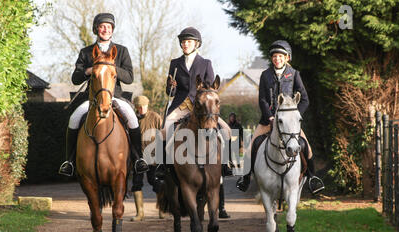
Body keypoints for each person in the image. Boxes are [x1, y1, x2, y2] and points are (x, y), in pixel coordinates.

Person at [58, 13, 148, 177]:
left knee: (133, 118)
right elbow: (75, 78)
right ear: (96, 29)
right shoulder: (86, 52)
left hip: (115, 96)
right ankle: (69, 161)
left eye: (108, 26)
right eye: (102, 26)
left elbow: (129, 77)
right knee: (74, 118)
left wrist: (111, 68)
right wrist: (88, 70)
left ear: (112, 30)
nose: (105, 29)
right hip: (92, 99)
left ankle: (138, 159)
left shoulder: (121, 51)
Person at [236, 40, 325, 194]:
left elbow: (305, 99)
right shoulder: (265, 75)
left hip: (289, 122)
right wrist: (270, 117)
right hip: (267, 120)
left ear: (287, 58)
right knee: (251, 148)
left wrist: (295, 117)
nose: (277, 58)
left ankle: (312, 178)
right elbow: (262, 100)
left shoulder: (294, 74)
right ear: (272, 59)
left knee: (307, 148)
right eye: (274, 56)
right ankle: (245, 179)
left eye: (280, 56)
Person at [156, 27, 233, 181]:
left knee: (227, 130)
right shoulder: (175, 63)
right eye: (183, 42)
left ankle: (226, 164)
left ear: (196, 44)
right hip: (181, 105)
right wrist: (171, 86)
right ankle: (161, 165)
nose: (185, 44)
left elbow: (211, 88)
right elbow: (170, 92)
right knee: (163, 130)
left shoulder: (205, 63)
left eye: (189, 41)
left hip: (202, 107)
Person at [130, 95, 165, 221]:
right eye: (139, 107)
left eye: (143, 107)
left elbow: (163, 135)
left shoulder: (155, 117)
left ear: (147, 106)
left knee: (155, 182)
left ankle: (162, 209)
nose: (141, 109)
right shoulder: (132, 119)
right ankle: (140, 213)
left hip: (153, 156)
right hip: (138, 157)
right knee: (136, 184)